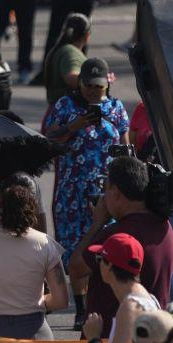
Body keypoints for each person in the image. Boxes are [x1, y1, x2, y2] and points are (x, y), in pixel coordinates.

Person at [73, 156, 173, 334]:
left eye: (106, 189)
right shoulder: (165, 226)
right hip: (150, 333)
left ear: (115, 192)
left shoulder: (116, 235)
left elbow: (76, 268)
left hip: (109, 339)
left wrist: (97, 223)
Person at [42, 57, 130, 263]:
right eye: (87, 85)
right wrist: (74, 126)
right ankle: (79, 296)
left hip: (107, 193)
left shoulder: (116, 108)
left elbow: (126, 150)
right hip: (73, 194)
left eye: (98, 86)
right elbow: (49, 140)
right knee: (75, 255)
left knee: (108, 253)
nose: (92, 90)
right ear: (80, 83)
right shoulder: (65, 105)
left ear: (107, 85)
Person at [0, 175, 68, 339]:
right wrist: (40, 302)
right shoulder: (46, 244)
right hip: (35, 331)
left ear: (1, 208)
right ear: (32, 209)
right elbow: (61, 300)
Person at [82, 232, 160, 343]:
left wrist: (93, 338)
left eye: (100, 259)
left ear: (109, 265)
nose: (98, 265)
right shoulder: (148, 299)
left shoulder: (130, 306)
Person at [38, 11, 90, 101]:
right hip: (66, 112)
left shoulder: (63, 49)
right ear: (87, 35)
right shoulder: (70, 53)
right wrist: (96, 78)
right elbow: (71, 79)